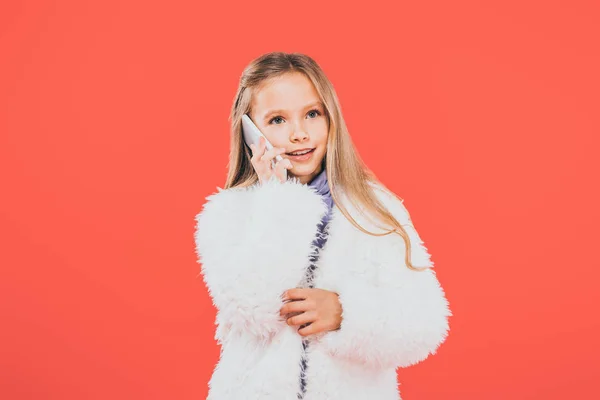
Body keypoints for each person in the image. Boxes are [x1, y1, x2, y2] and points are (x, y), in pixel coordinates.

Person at [194, 52, 452, 400]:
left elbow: (426, 323)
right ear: (250, 131)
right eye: (277, 120)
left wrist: (346, 313)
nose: (299, 133)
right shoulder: (229, 212)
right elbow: (251, 308)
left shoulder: (373, 210)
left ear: (332, 120)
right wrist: (277, 199)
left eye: (312, 114)